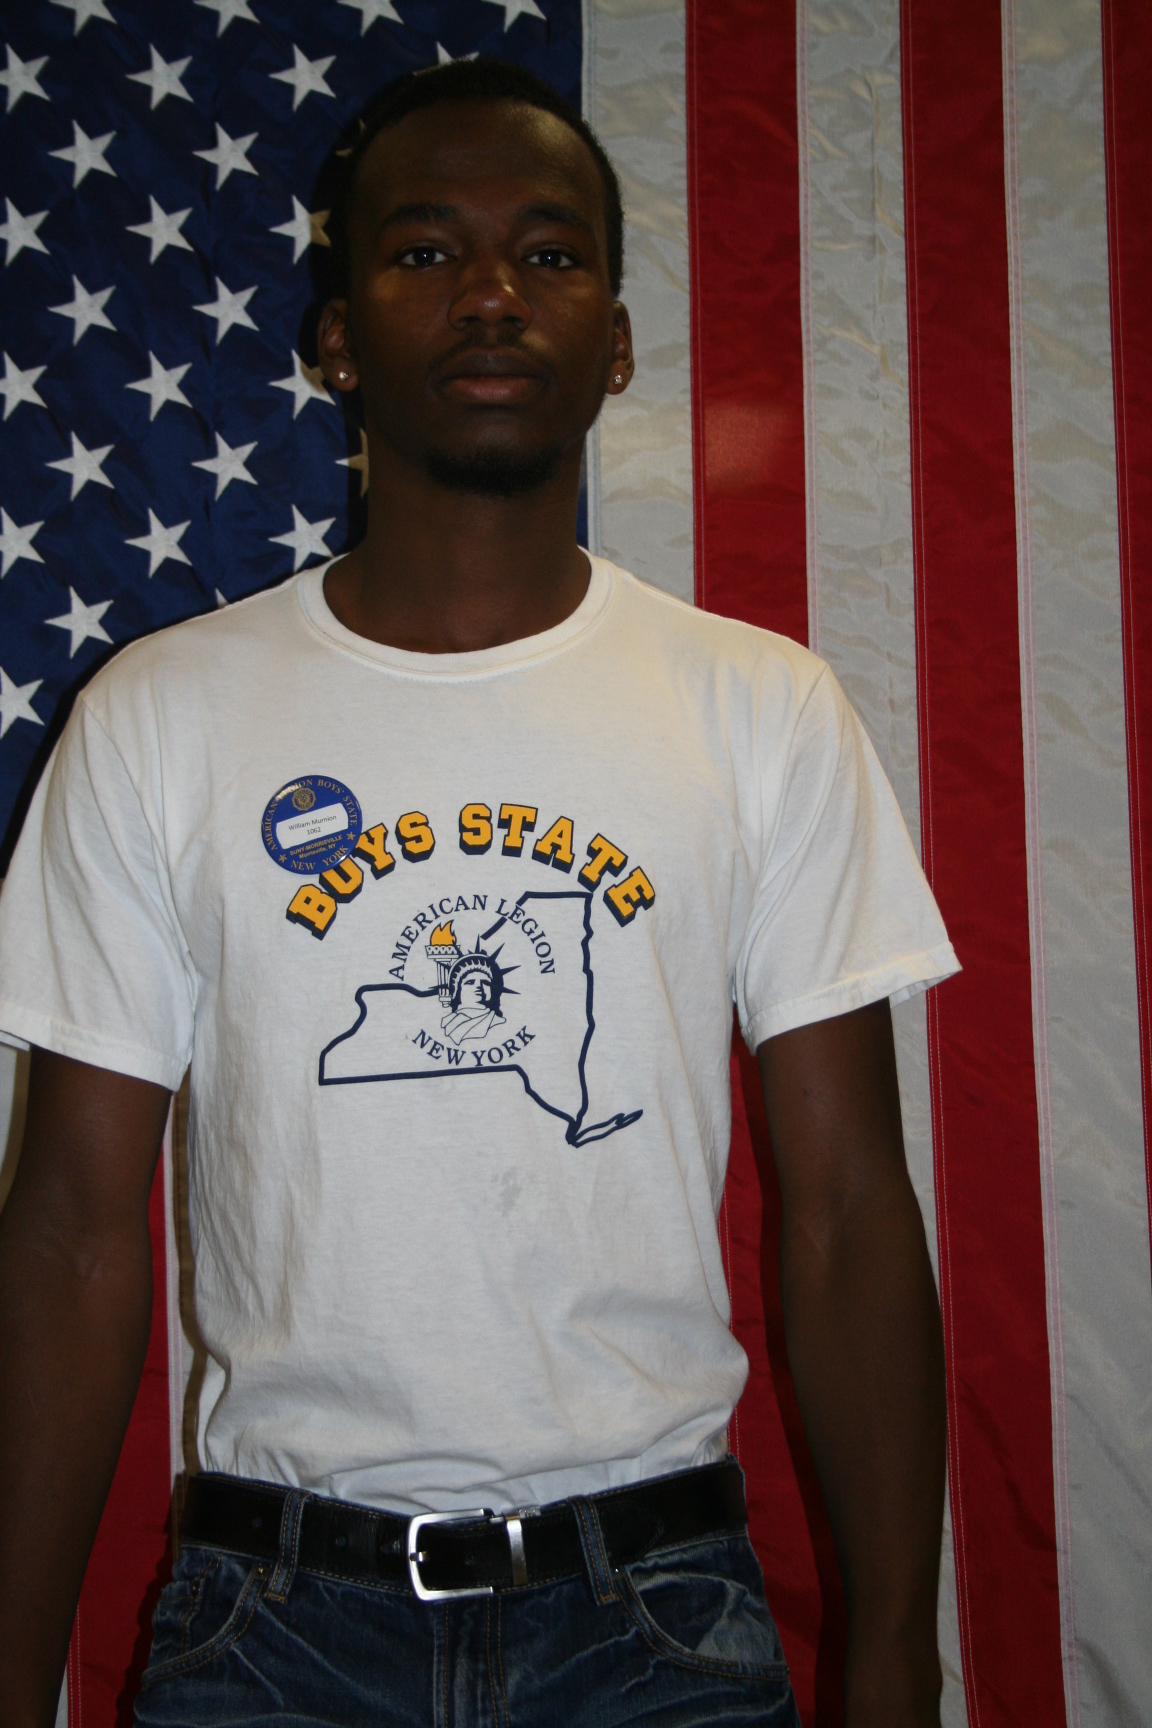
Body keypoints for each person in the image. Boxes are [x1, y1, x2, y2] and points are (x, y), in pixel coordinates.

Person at [0, 58, 958, 1728]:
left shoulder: (760, 709)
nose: (495, 292)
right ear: (337, 338)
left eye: (552, 251)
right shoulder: (164, 715)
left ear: (620, 341)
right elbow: (75, 1235)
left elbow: (849, 1212)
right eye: (427, 251)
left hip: (654, 1621)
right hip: (272, 1630)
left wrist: (892, 1655)